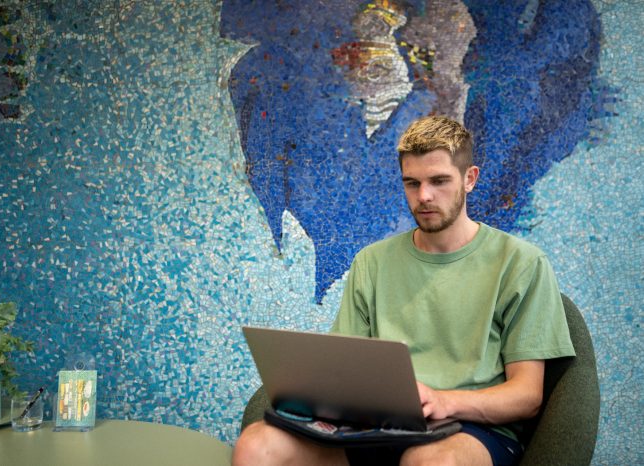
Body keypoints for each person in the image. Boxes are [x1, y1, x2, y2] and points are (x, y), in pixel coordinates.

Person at [231, 115, 575, 466]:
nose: (424, 196)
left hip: (469, 431)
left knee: (430, 462)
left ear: (470, 179)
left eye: (439, 181)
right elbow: (346, 369)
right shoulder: (372, 262)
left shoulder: (521, 263)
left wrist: (445, 401)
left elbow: (527, 395)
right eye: (412, 183)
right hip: (375, 431)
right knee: (257, 446)